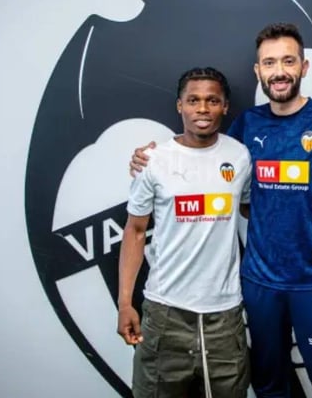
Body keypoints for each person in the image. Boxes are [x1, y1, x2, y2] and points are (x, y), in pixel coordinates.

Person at [130, 23, 312, 398]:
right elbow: (204, 162)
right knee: (269, 385)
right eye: (269, 63)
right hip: (260, 284)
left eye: (288, 61)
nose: (279, 71)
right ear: (258, 71)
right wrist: (148, 158)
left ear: (304, 67)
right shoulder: (246, 125)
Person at [118, 67, 251, 398]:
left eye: (212, 101)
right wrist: (124, 302)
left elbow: (251, 210)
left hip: (225, 316)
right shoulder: (153, 160)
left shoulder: (239, 156)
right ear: (180, 105)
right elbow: (135, 231)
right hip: (165, 312)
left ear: (225, 106)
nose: (202, 109)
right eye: (193, 100)